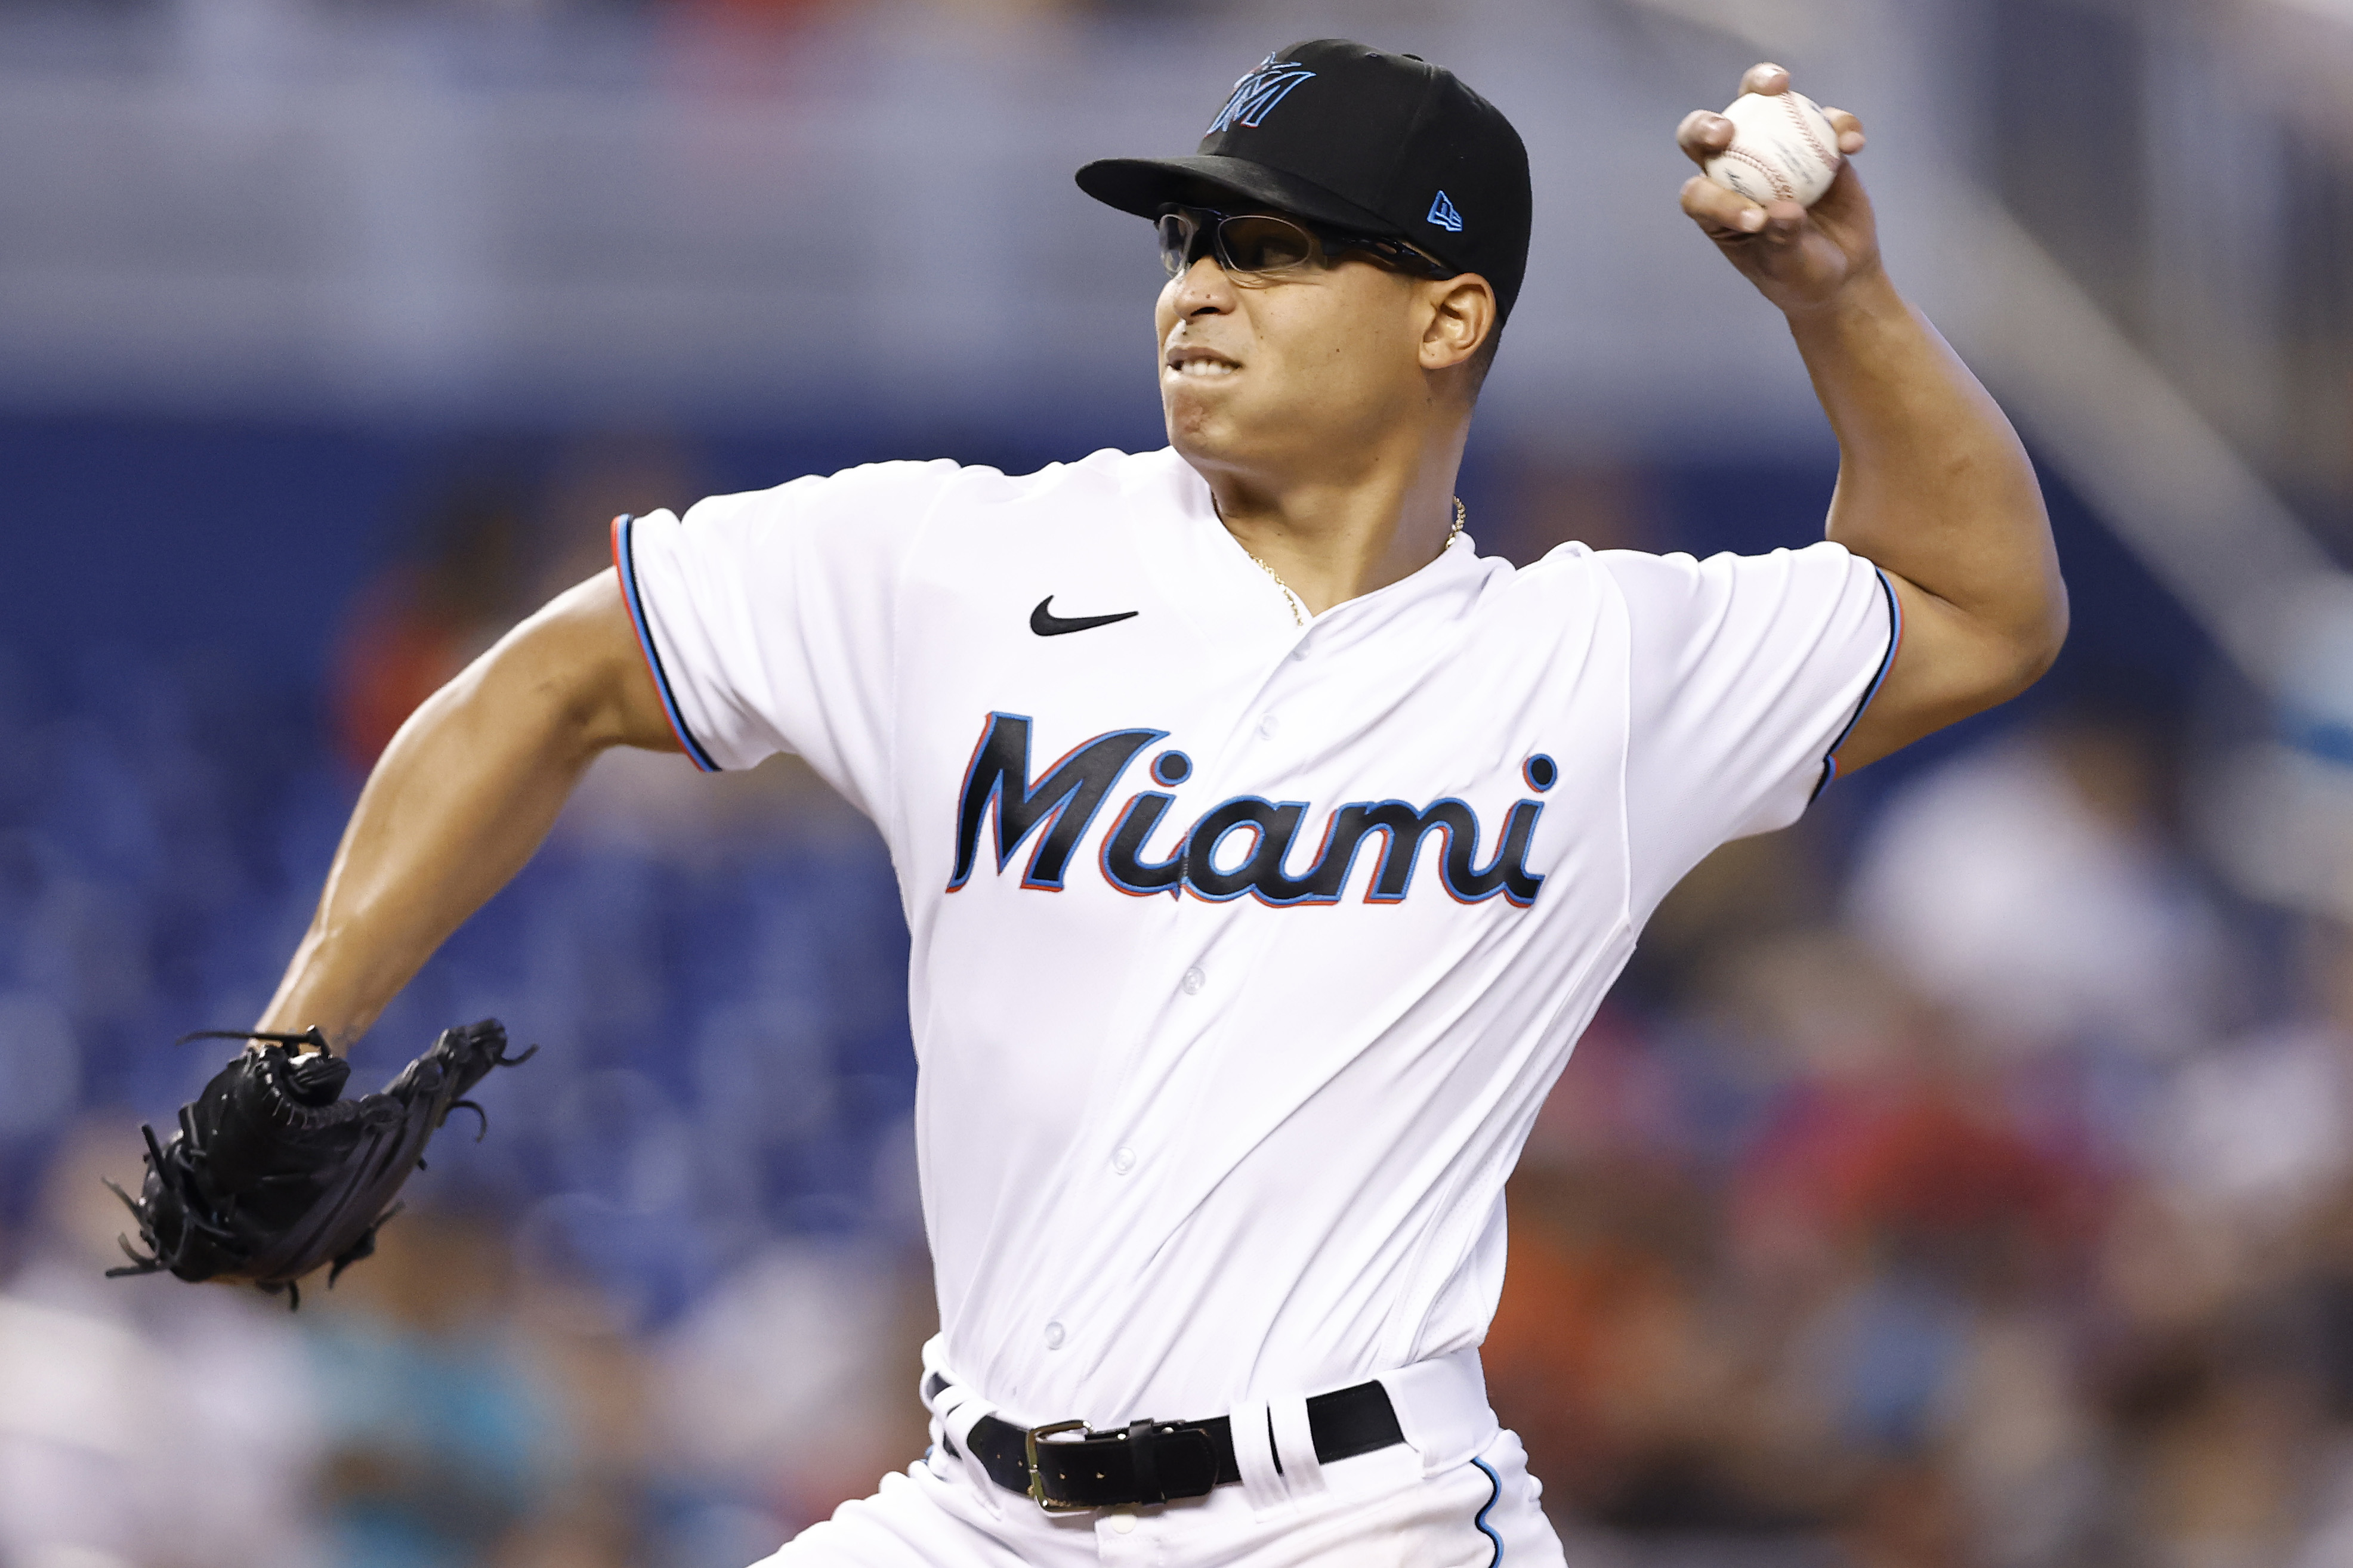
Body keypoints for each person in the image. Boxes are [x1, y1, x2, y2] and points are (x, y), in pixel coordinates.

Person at [249, 39, 2065, 1567]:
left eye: (1274, 247)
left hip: (1353, 1515)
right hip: (973, 1509)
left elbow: (1984, 609)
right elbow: (547, 678)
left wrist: (1840, 300)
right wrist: (291, 1049)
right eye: (1188, 241)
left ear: (1451, 314)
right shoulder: (962, 561)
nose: (1196, 287)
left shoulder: (1599, 662)